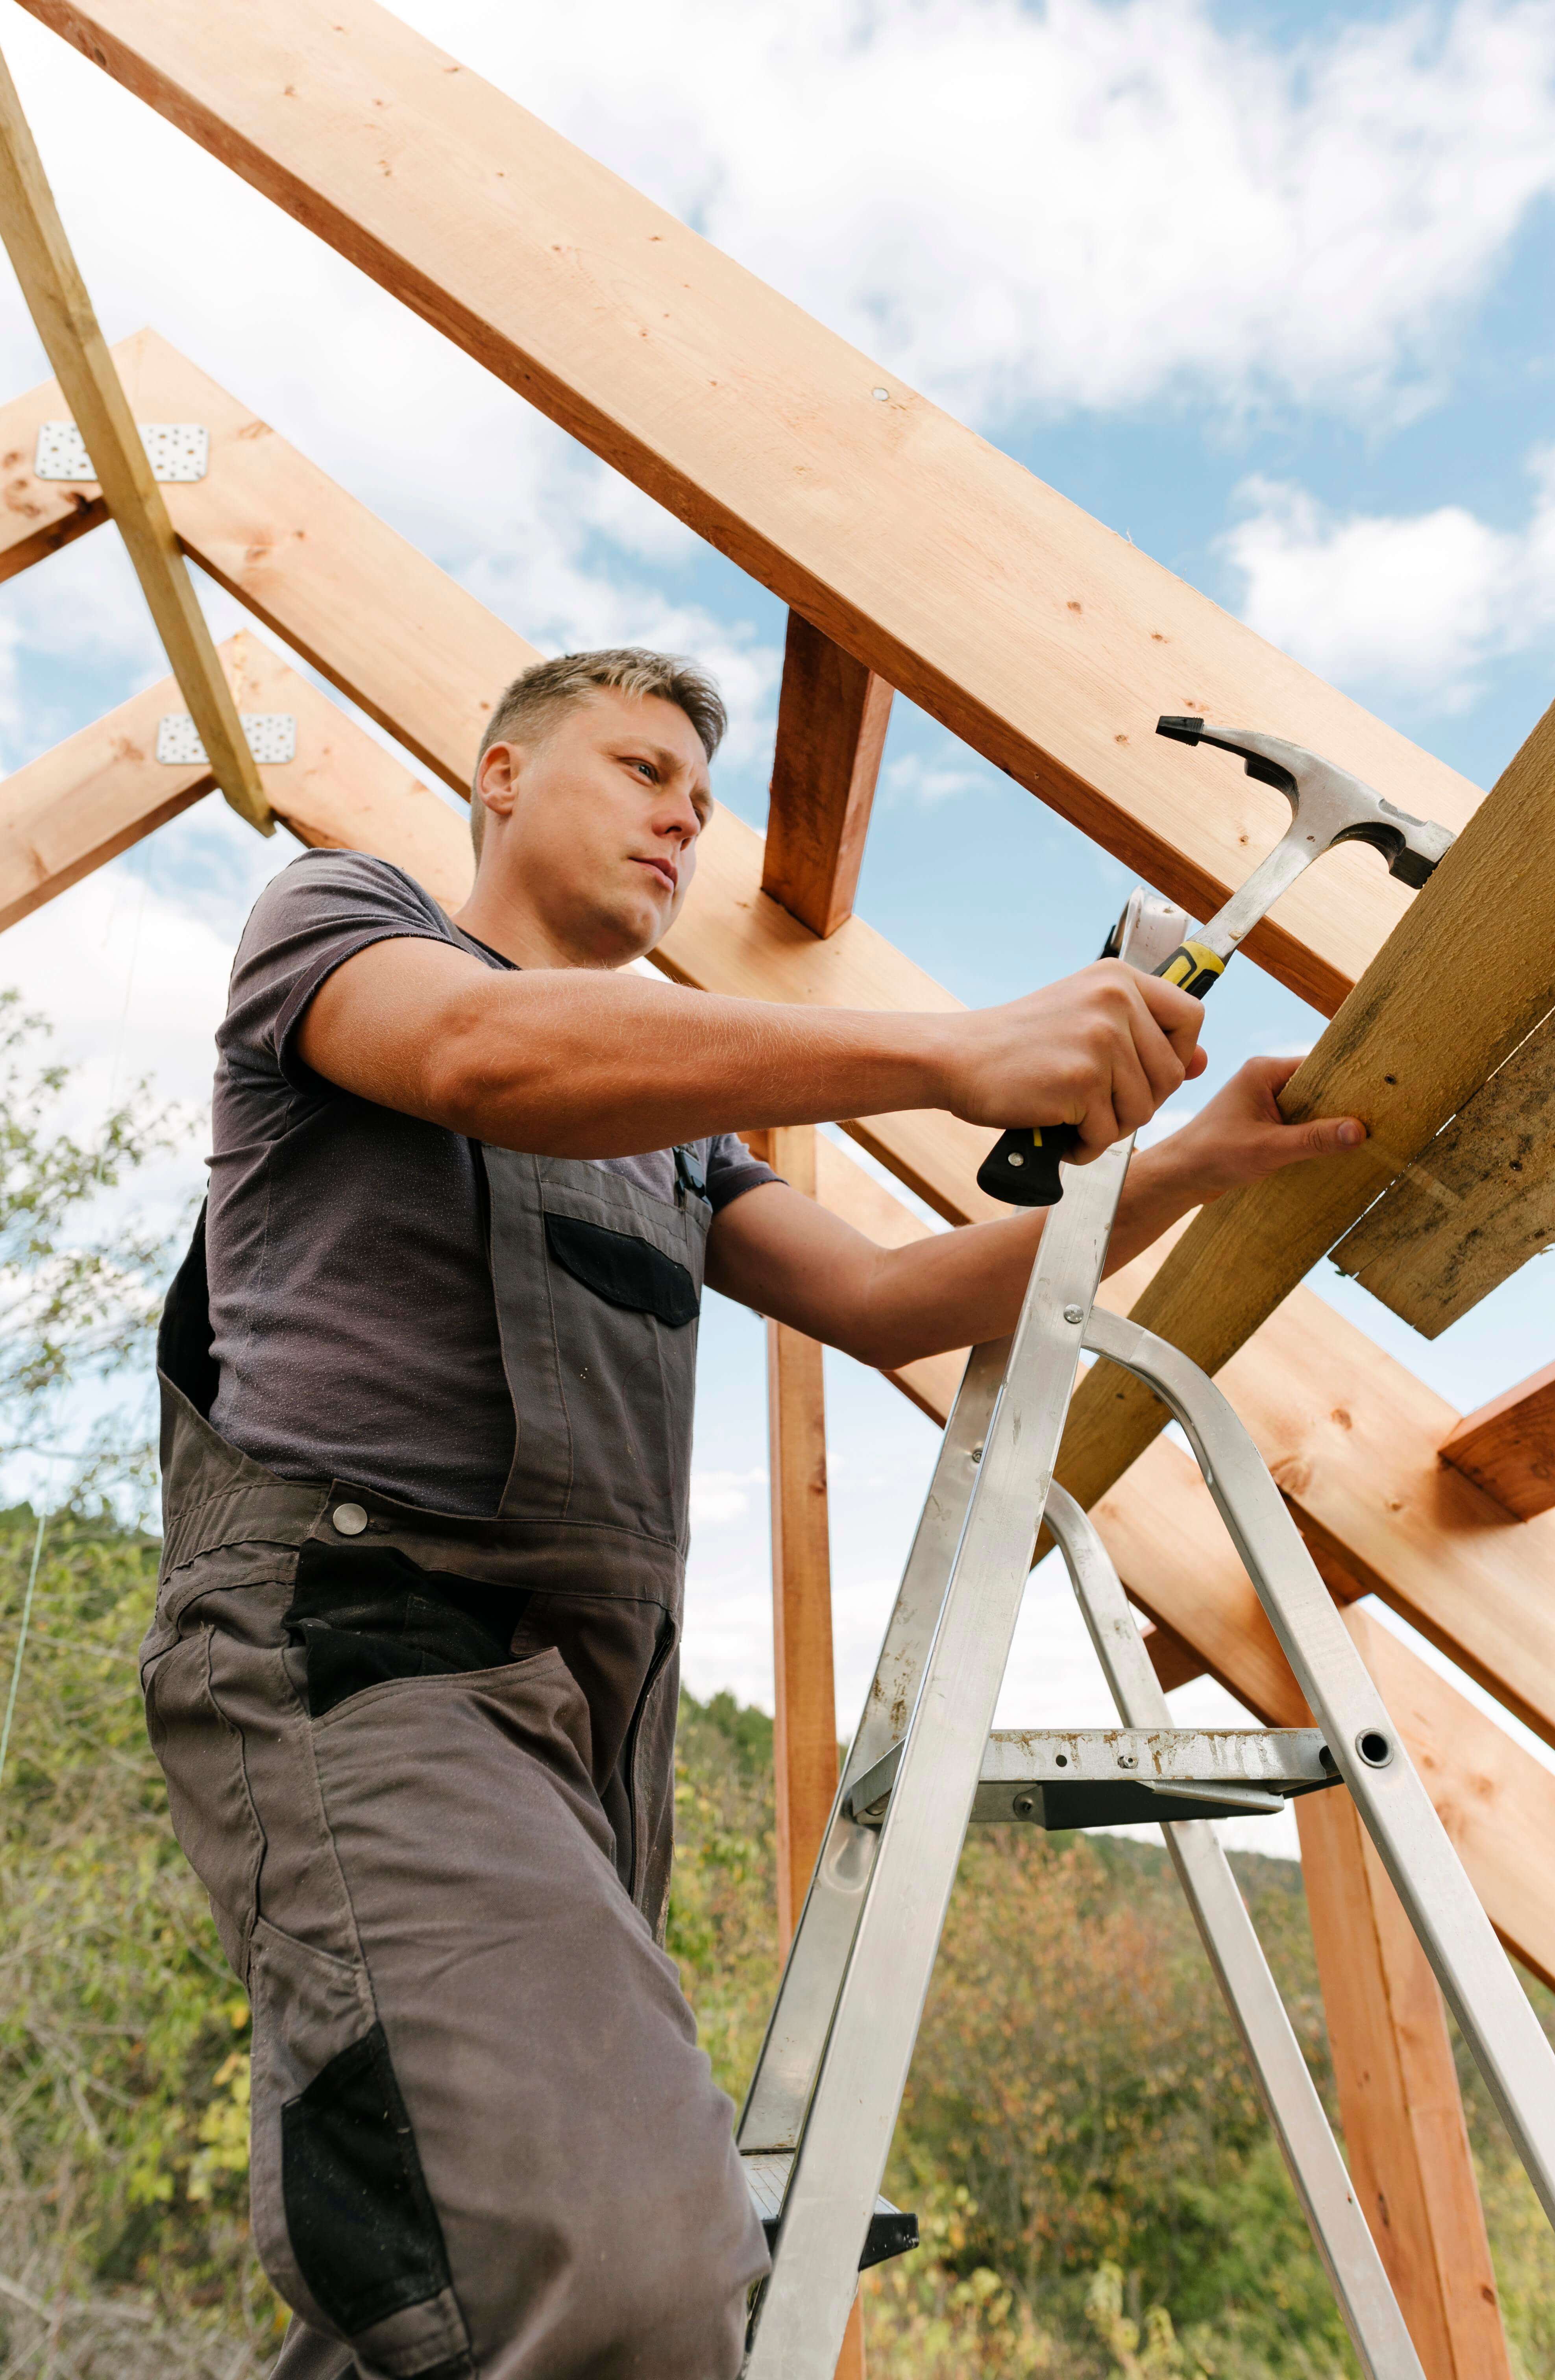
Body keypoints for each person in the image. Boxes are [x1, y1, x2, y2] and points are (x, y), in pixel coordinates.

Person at [144, 649, 1365, 2380]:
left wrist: (1186, 1166)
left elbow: (881, 1299)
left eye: (701, 805)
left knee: (476, 2263)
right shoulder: (342, 922)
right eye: (642, 771)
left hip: (586, 1714)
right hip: (363, 1657)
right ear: (497, 776)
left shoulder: (683, 1142)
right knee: (622, 2269)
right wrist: (952, 1050)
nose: (681, 821)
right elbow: (484, 1054)